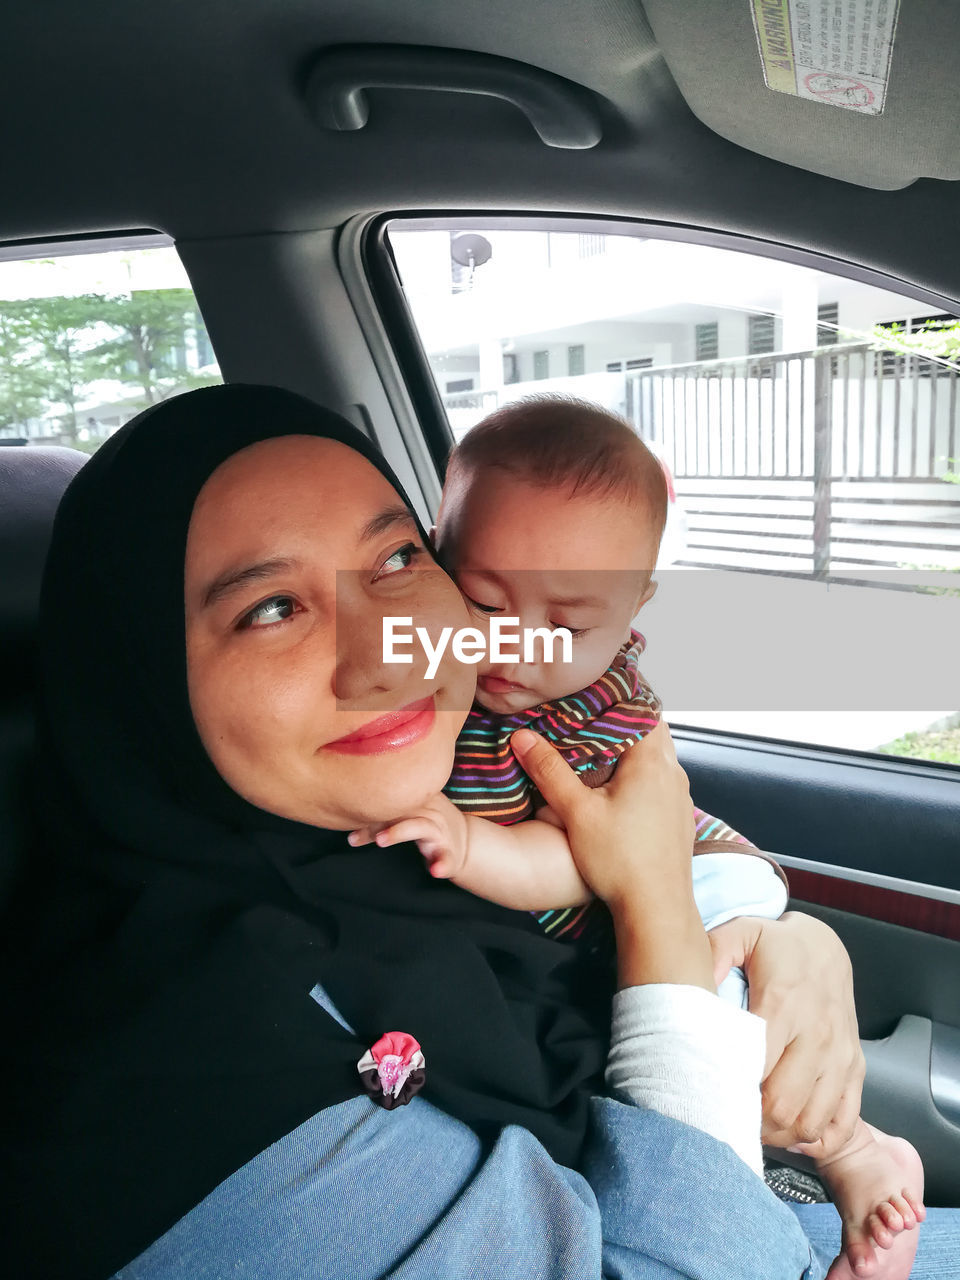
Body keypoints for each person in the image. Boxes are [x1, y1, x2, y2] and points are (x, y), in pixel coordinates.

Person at [1, 383, 954, 1280]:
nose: (390, 649)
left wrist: (788, 938)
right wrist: (659, 908)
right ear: (143, 685)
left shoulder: (357, 834)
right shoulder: (188, 1086)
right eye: (274, 609)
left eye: (396, 560)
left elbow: (664, 830)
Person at [350, 396, 926, 1280]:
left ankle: (854, 1151)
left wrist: (470, 848)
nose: (516, 644)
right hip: (628, 895)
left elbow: (588, 858)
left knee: (728, 1012)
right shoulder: (419, 679)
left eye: (568, 624)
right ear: (436, 553)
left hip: (682, 872)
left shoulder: (598, 715)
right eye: (480, 599)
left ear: (635, 608)